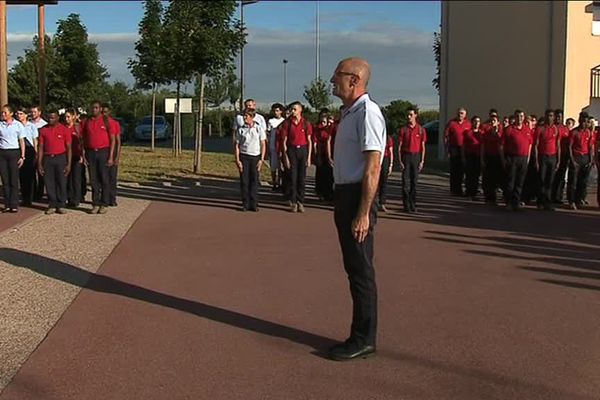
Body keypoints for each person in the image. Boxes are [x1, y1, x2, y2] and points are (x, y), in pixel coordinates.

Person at [328, 57, 386, 361]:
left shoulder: (368, 113)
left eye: (337, 75)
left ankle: (364, 339)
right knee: (354, 269)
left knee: (361, 271)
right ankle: (358, 334)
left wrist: (363, 212)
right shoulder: (350, 113)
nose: (332, 80)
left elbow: (373, 166)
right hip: (345, 194)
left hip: (356, 197)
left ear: (354, 79)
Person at [81, 100, 116, 214]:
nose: (94, 110)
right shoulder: (87, 122)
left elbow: (113, 140)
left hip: (103, 152)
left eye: (96, 108)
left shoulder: (107, 121)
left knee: (104, 179)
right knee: (93, 179)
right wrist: (84, 154)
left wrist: (111, 157)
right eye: (92, 108)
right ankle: (95, 203)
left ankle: (104, 203)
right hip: (91, 153)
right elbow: (83, 139)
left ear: (100, 109)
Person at [37, 110, 72, 215]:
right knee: (49, 182)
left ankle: (61, 204)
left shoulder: (64, 129)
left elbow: (69, 148)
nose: (50, 119)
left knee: (61, 181)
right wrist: (39, 163)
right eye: (49, 117)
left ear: (57, 118)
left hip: (60, 158)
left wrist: (68, 164)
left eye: (53, 117)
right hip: (48, 158)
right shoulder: (43, 130)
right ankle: (52, 203)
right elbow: (41, 147)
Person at [282, 101, 312, 213]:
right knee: (293, 178)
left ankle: (301, 201)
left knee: (302, 179)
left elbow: (309, 141)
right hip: (292, 150)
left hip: (302, 150)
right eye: (292, 109)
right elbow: (284, 141)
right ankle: (293, 202)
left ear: (300, 110)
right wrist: (285, 157)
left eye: (295, 109)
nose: (293, 111)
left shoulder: (306, 123)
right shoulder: (287, 123)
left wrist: (309, 157)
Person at [234, 108, 266, 212]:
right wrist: (238, 160)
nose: (244, 118)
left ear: (252, 117)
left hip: (255, 157)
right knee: (244, 181)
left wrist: (261, 159)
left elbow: (263, 144)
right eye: (244, 116)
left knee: (254, 181)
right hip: (244, 156)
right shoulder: (241, 129)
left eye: (246, 116)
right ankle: (245, 204)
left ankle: (254, 203)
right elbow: (237, 145)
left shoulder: (258, 128)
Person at [500, 109, 532, 211]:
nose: (520, 118)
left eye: (522, 116)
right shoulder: (509, 129)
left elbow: (530, 144)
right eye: (518, 116)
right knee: (510, 181)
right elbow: (501, 145)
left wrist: (528, 158)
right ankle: (508, 202)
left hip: (523, 159)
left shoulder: (527, 129)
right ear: (515, 117)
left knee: (520, 182)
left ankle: (516, 202)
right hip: (511, 158)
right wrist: (503, 159)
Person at [398, 107, 426, 212]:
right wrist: (400, 161)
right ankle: (406, 205)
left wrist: (422, 161)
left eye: (410, 115)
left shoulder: (421, 129)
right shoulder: (403, 129)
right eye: (407, 115)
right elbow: (399, 147)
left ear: (415, 115)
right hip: (406, 156)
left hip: (416, 156)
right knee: (405, 182)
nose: (408, 117)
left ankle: (413, 204)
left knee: (414, 182)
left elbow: (423, 146)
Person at [0, 105, 26, 212]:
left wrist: (22, 156)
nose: (3, 114)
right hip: (2, 152)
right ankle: (7, 203)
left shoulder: (18, 125)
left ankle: (14, 204)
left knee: (13, 179)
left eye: (5, 113)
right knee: (5, 179)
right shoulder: (0, 125)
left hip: (14, 151)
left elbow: (21, 141)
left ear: (11, 113)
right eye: (2, 113)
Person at [534, 109, 560, 211]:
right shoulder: (540, 129)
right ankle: (540, 202)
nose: (550, 118)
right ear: (545, 117)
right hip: (542, 157)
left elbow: (558, 145)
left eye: (551, 116)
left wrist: (558, 160)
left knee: (550, 181)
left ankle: (548, 202)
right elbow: (535, 145)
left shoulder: (556, 129)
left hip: (552, 157)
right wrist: (536, 160)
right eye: (548, 116)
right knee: (541, 180)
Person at [567, 113, 593, 210]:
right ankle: (571, 201)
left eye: (586, 121)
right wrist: (572, 160)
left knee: (582, 181)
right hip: (576, 156)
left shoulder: (588, 132)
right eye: (582, 121)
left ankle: (579, 200)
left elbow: (590, 147)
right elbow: (569, 146)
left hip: (585, 157)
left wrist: (590, 160)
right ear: (579, 120)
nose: (584, 123)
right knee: (573, 181)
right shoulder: (574, 132)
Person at [444, 107, 471, 196]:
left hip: (464, 149)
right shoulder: (452, 123)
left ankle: (461, 189)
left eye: (462, 113)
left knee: (462, 169)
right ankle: (454, 190)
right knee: (454, 169)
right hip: (454, 148)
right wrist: (446, 149)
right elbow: (446, 136)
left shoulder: (468, 124)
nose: (460, 115)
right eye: (459, 113)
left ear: (465, 115)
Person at [15, 107, 38, 206]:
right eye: (17, 114)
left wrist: (36, 153)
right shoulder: (15, 125)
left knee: (30, 174)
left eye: (21, 114)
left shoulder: (31, 126)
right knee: (22, 175)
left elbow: (35, 140)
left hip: (29, 150)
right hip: (19, 149)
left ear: (25, 115)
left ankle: (31, 196)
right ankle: (24, 197)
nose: (19, 116)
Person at [480, 114, 504, 205]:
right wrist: (482, 159)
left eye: (494, 121)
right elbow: (483, 146)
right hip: (489, 156)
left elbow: (502, 145)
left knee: (496, 178)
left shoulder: (501, 133)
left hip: (498, 157)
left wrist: (497, 133)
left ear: (498, 122)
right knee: (488, 178)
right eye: (491, 121)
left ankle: (495, 198)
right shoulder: (486, 133)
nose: (492, 122)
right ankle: (489, 198)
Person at [102, 104, 122, 206]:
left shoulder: (114, 123)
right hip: (103, 152)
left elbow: (118, 141)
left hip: (112, 152)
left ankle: (112, 198)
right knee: (104, 177)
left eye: (105, 112)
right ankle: (104, 197)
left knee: (112, 177)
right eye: (102, 112)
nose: (103, 114)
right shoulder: (99, 123)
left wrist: (117, 156)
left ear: (109, 112)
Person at [314, 108, 335, 202]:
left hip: (330, 153)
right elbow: (315, 141)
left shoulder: (331, 128)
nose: (323, 122)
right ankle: (320, 192)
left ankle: (329, 193)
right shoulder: (317, 128)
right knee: (320, 173)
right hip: (321, 153)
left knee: (330, 174)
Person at [64, 109, 84, 207]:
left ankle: (76, 198)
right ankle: (69, 197)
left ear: (73, 117)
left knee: (76, 178)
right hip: (66, 156)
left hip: (76, 155)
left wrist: (82, 156)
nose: (66, 119)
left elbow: (82, 142)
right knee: (67, 177)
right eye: (65, 117)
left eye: (68, 117)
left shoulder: (77, 128)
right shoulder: (64, 128)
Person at [551, 110, 571, 204]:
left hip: (564, 156)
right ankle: (551, 196)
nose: (558, 118)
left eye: (560, 116)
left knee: (561, 178)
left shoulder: (565, 129)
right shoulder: (553, 128)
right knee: (552, 177)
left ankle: (558, 197)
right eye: (557, 116)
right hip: (554, 155)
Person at [266, 103, 285, 191]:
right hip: (273, 147)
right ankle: (274, 183)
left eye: (277, 110)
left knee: (281, 166)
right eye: (274, 111)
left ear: (281, 111)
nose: (275, 112)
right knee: (273, 167)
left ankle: (281, 182)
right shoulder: (271, 121)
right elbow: (268, 134)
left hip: (281, 147)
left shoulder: (284, 121)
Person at [463, 115, 482, 200]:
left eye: (478, 121)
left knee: (476, 175)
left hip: (478, 156)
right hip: (469, 155)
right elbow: (463, 145)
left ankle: (474, 192)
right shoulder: (468, 133)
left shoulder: (481, 133)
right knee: (469, 174)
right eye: (475, 121)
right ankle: (468, 192)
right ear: (472, 122)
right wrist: (463, 156)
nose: (477, 123)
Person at [31, 105, 47, 201]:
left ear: (39, 112)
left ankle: (40, 193)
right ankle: (32, 192)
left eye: (35, 112)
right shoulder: (28, 123)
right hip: (31, 151)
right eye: (32, 112)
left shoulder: (43, 124)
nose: (33, 114)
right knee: (31, 174)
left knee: (40, 173)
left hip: (41, 151)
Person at [376, 132, 393, 212]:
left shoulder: (388, 138)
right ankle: (373, 202)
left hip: (385, 158)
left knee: (384, 181)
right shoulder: (376, 136)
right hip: (377, 158)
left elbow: (390, 151)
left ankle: (382, 203)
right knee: (375, 181)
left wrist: (391, 164)